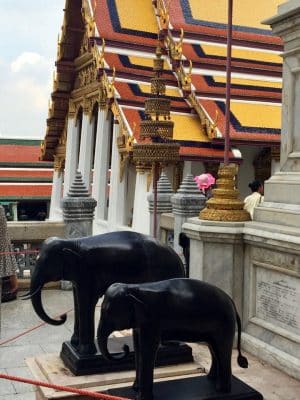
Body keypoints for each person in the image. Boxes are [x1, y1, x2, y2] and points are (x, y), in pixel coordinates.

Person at [0, 205, 18, 302]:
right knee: (9, 268)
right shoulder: (1, 208)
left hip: (2, 244)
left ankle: (10, 292)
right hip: (4, 244)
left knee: (8, 269)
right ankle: (12, 291)